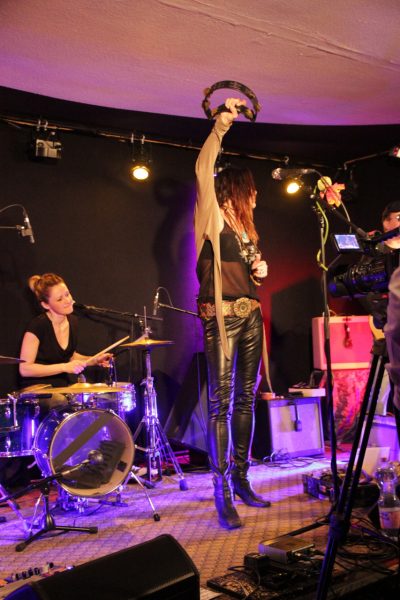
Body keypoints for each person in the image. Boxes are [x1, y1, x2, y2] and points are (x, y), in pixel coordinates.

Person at [195, 97, 270, 530]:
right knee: (220, 402)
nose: (256, 197)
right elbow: (203, 169)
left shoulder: (245, 228)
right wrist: (222, 124)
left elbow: (245, 269)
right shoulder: (213, 216)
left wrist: (258, 269)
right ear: (239, 190)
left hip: (251, 314)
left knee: (245, 397)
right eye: (253, 190)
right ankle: (221, 489)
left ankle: (241, 478)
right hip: (221, 316)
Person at [19, 273, 111, 412]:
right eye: (60, 299)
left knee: (101, 398)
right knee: (60, 402)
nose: (67, 300)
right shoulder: (37, 326)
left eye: (67, 294)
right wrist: (64, 367)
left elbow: (70, 357)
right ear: (46, 305)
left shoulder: (73, 322)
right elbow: (25, 369)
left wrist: (94, 360)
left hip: (61, 387)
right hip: (37, 389)